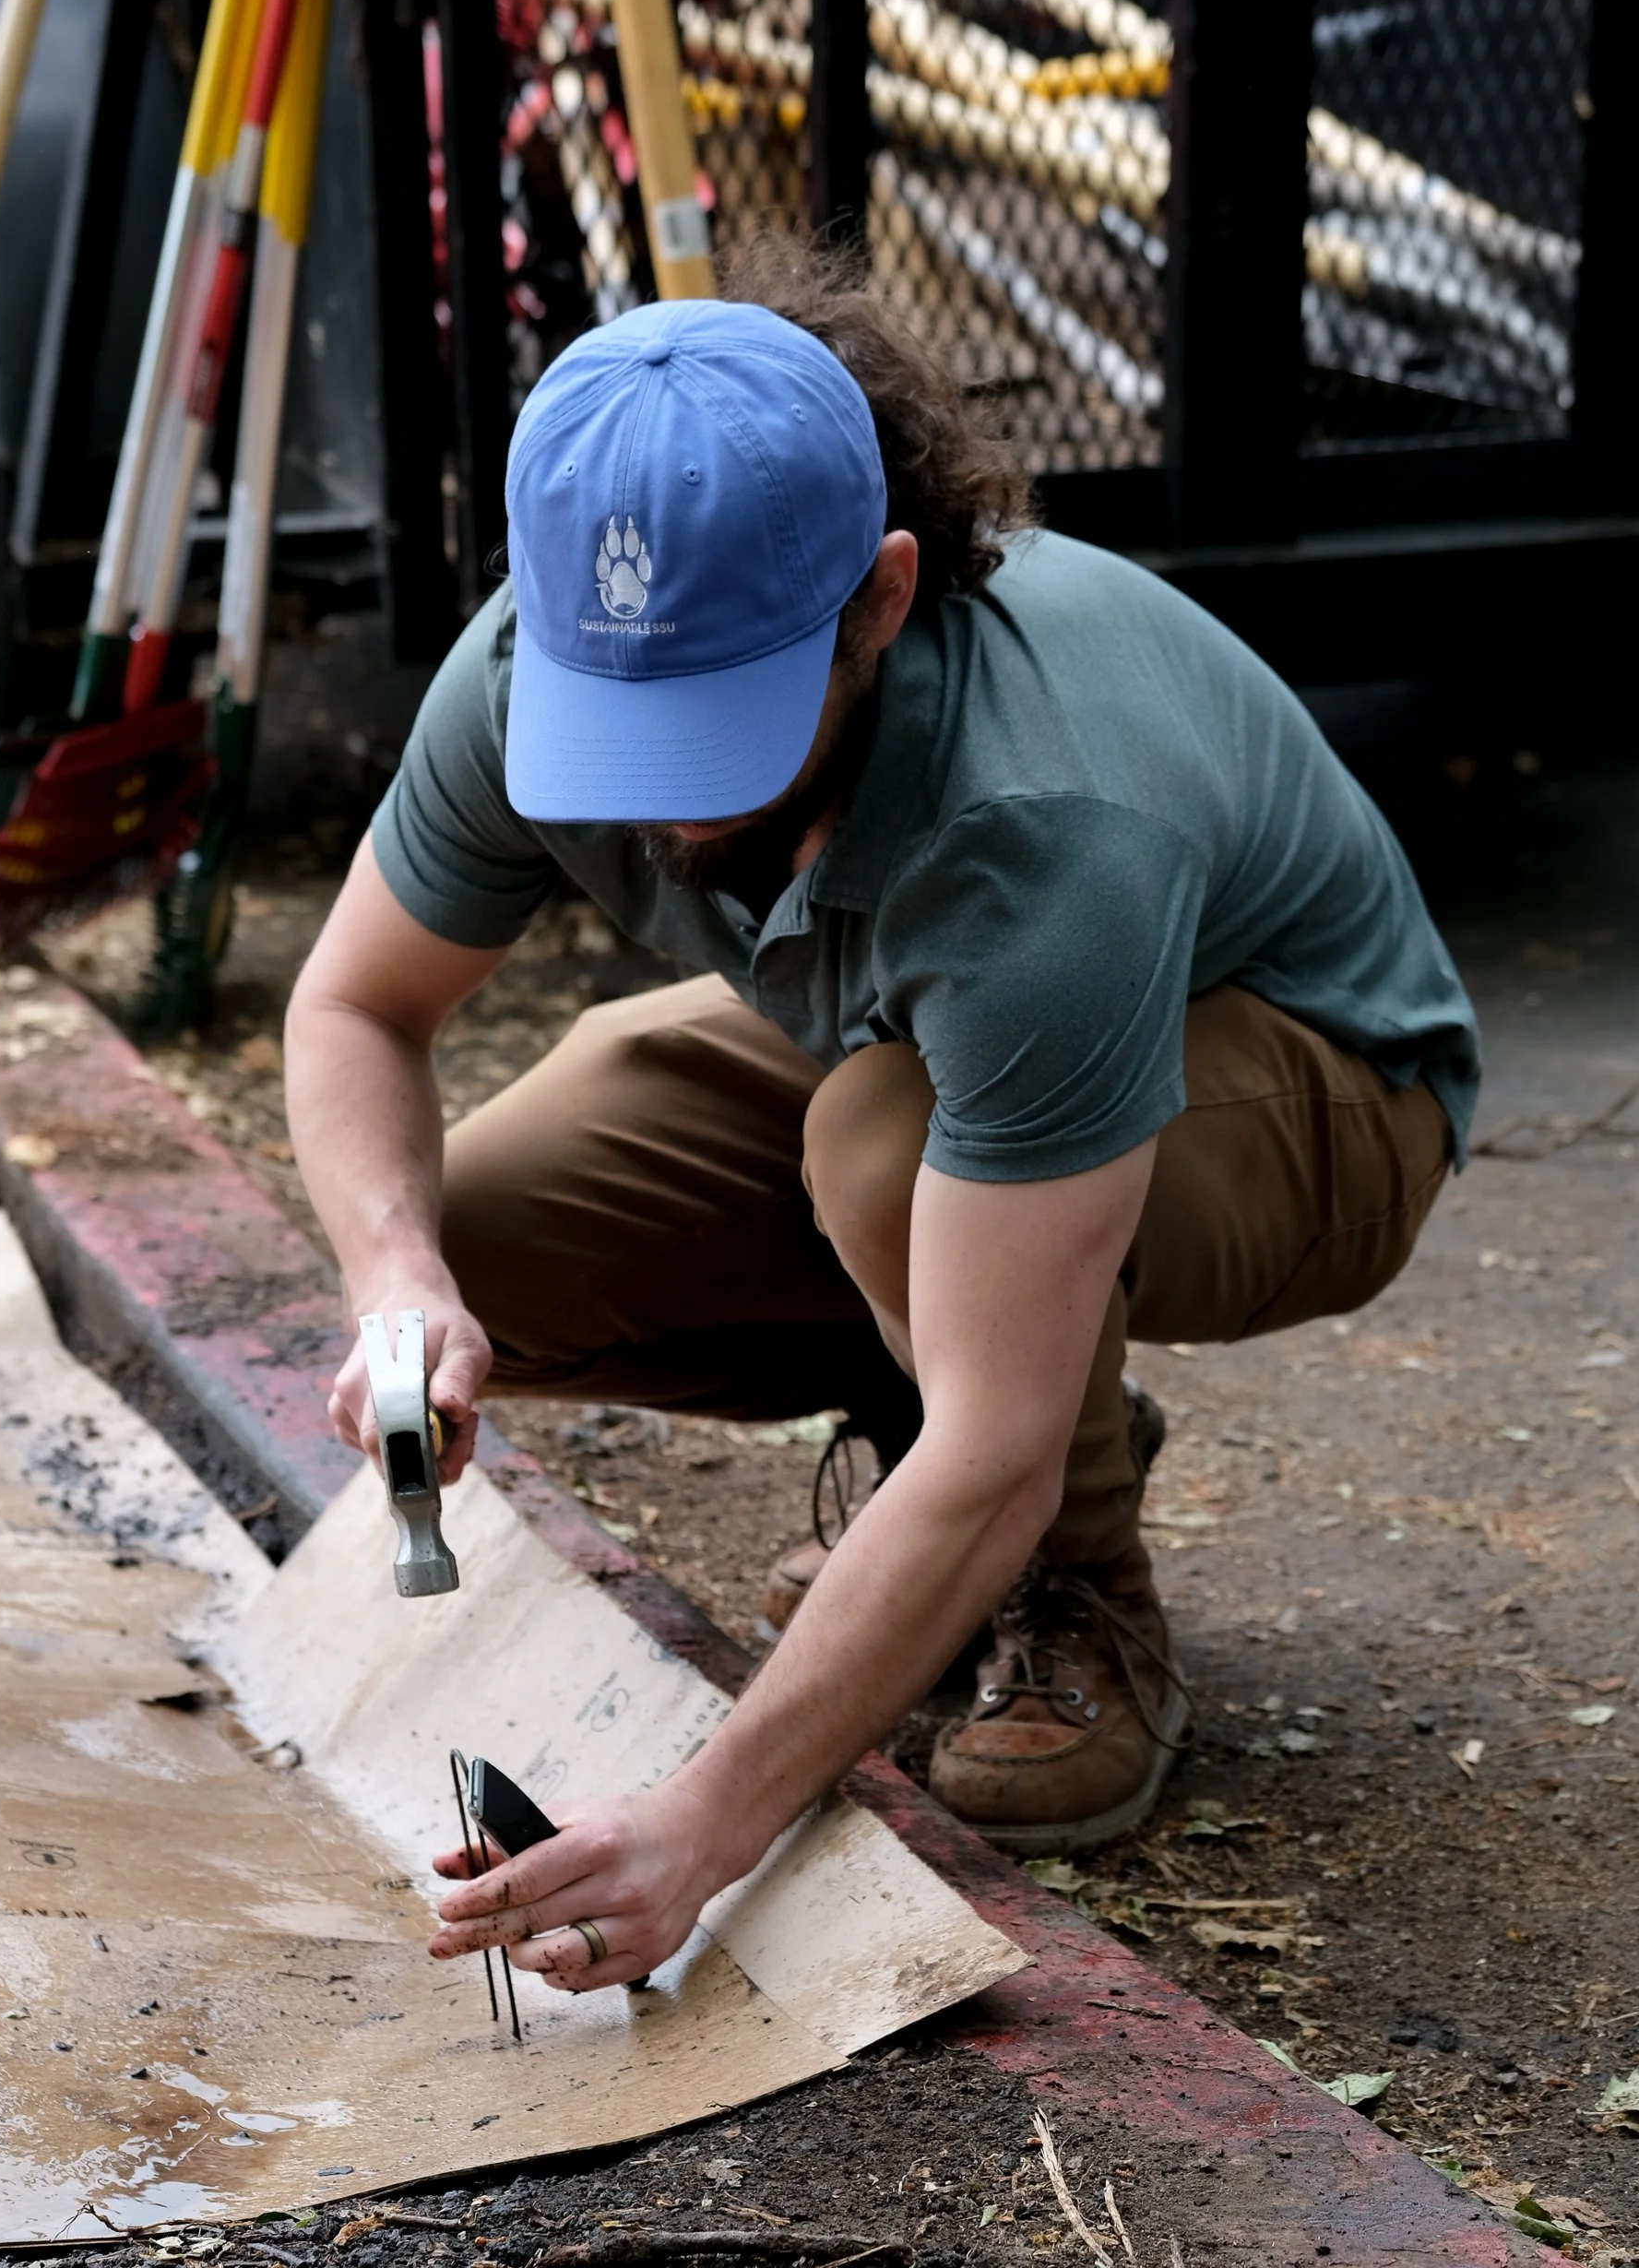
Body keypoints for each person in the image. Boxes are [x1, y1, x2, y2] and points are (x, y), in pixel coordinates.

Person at [286, 234, 1479, 1998]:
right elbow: (356, 1003)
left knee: (885, 1154)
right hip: (914, 1037)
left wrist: (703, 1820)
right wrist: (400, 1282)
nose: (669, 812)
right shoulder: (552, 644)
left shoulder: (1043, 835)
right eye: (623, 722)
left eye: (718, 727)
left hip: (1318, 1093)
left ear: (885, 594)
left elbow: (988, 1434)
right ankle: (948, 1367)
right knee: (496, 1234)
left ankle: (1072, 1598)